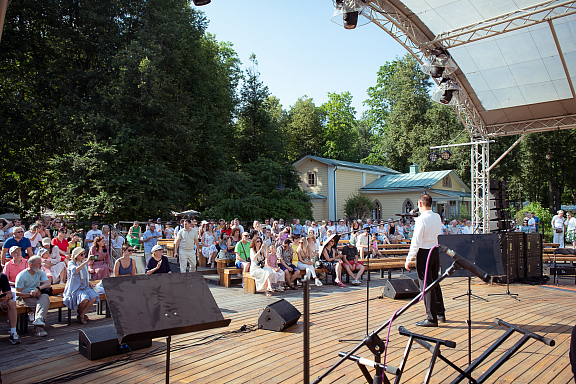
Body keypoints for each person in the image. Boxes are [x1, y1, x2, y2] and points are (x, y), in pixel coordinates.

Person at [405, 193, 445, 327]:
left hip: (424, 252)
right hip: (435, 251)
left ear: (420, 204)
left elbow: (416, 241)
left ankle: (431, 318)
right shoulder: (437, 216)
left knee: (426, 285)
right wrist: (417, 219)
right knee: (435, 282)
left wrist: (409, 258)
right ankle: (440, 312)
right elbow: (428, 226)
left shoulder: (422, 220)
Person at [63, 247, 100, 325]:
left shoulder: (84, 263)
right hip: (75, 288)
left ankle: (81, 314)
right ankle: (81, 314)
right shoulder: (71, 263)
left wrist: (89, 283)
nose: (83, 256)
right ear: (76, 255)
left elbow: (85, 276)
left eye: (84, 254)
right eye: (81, 254)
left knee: (94, 296)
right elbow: (76, 271)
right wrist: (86, 262)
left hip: (85, 286)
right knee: (85, 299)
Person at [15, 255, 51, 337]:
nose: (41, 265)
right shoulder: (22, 276)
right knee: (41, 305)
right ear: (31, 265)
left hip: (37, 294)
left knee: (45, 297)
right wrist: (30, 294)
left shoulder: (40, 271)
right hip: (25, 297)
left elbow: (48, 283)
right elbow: (17, 293)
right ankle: (38, 328)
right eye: (38, 263)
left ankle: (38, 322)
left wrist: (38, 288)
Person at [0, 267, 20, 344]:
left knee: (11, 303)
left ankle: (13, 333)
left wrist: (6, 297)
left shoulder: (3, 277)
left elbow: (9, 293)